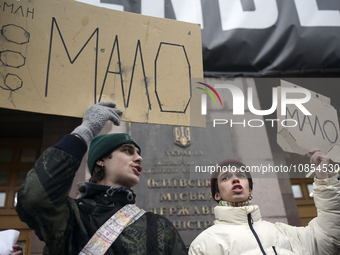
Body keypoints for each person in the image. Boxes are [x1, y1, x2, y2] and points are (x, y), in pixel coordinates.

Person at [16, 102, 187, 255]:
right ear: (101, 160)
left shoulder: (158, 227)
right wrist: (86, 130)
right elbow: (35, 197)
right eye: (128, 151)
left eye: (138, 153)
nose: (139, 158)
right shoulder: (72, 218)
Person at [189, 150, 340, 255]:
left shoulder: (284, 233)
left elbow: (328, 237)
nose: (235, 179)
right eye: (225, 178)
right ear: (217, 195)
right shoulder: (203, 244)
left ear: (250, 191)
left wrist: (323, 178)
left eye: (241, 175)